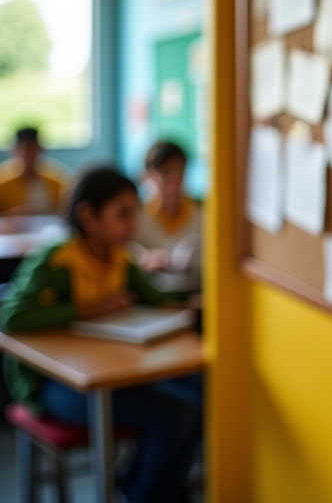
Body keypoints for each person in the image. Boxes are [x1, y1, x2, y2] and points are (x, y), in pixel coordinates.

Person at [0, 167, 200, 503]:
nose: (133, 225)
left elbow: (155, 298)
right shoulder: (56, 258)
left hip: (112, 373)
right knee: (174, 416)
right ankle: (141, 492)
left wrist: (195, 303)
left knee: (198, 396)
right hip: (55, 385)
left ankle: (144, 487)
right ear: (88, 216)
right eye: (123, 214)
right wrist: (84, 312)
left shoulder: (119, 256)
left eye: (133, 213)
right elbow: (10, 315)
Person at [131, 141, 202, 292]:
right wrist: (146, 258)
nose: (174, 180)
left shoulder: (201, 214)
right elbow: (125, 252)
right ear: (148, 176)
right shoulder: (137, 215)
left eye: (180, 171)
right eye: (165, 172)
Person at [0, 126, 68, 215]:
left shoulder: (55, 178)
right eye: (25, 149)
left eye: (32, 149)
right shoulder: (3, 180)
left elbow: (65, 208)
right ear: (14, 150)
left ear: (40, 149)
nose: (28, 155)